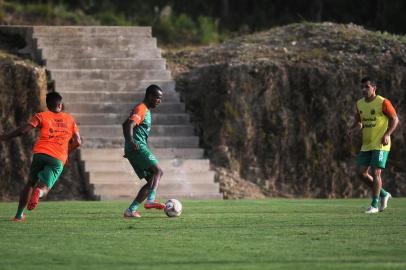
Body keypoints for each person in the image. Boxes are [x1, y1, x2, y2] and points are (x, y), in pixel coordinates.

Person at [0, 92, 81, 222]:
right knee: (44, 187)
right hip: (57, 157)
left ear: (48, 106)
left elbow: (23, 131)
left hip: (40, 154)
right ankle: (40, 193)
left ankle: (19, 215)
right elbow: (78, 141)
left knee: (30, 183)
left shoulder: (41, 116)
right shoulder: (70, 119)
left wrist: (6, 136)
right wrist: (66, 152)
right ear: (60, 105)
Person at [348, 77, 399, 214]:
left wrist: (387, 134)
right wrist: (353, 129)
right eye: (362, 87)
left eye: (367, 87)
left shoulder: (383, 102)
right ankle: (384, 194)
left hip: (381, 144)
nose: (364, 90)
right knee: (361, 173)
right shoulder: (359, 104)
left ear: (374, 88)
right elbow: (360, 122)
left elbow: (394, 119)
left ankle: (374, 204)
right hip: (367, 144)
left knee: (376, 172)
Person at [122, 84, 166, 218]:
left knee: (152, 180)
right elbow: (129, 125)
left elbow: (124, 124)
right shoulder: (141, 108)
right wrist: (131, 142)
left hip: (134, 148)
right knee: (158, 171)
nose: (159, 101)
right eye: (157, 98)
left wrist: (128, 145)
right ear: (150, 96)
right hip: (138, 147)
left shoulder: (143, 109)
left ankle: (131, 210)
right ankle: (151, 201)